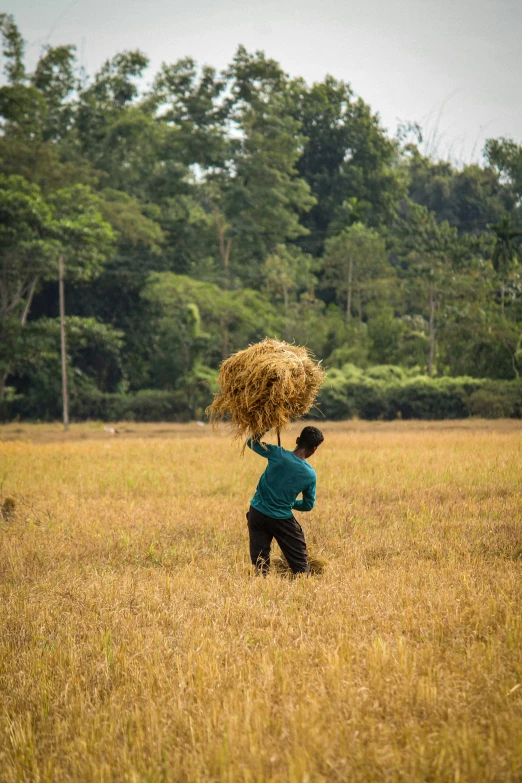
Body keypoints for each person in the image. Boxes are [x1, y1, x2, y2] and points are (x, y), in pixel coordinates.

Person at [246, 425, 324, 576]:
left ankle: (259, 589)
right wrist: (291, 503)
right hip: (281, 520)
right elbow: (308, 505)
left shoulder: (278, 454)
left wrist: (267, 425)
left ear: (297, 440)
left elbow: (251, 443)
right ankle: (303, 588)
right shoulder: (310, 474)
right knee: (300, 566)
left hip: (257, 513)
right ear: (314, 449)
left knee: (260, 563)